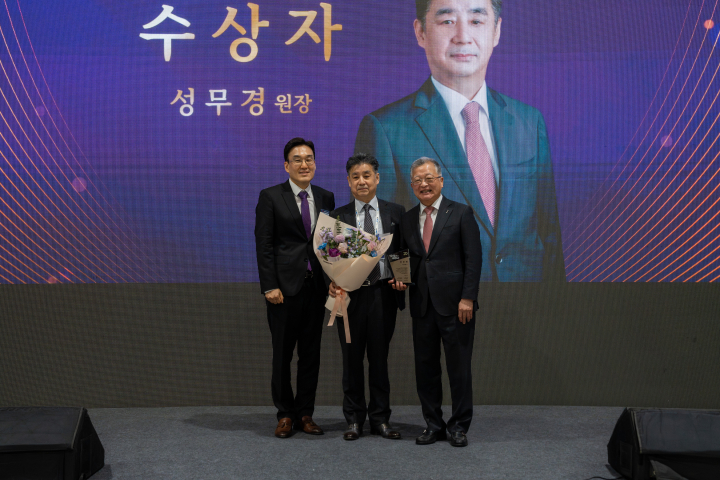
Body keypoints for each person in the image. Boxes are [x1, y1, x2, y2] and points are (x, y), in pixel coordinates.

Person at [355, 0, 564, 282]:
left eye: (476, 21)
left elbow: (548, 233)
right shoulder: (386, 129)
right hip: (439, 303)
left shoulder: (528, 121)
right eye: (447, 21)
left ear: (496, 31)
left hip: (525, 299)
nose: (463, 37)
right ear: (421, 32)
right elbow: (378, 243)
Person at [392, 157, 482, 447]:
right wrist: (399, 279)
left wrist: (468, 297)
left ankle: (459, 426)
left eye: (429, 178)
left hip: (456, 306)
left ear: (441, 181)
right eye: (418, 180)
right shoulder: (407, 218)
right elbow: (401, 256)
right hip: (422, 305)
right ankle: (433, 424)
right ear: (412, 186)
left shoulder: (461, 212)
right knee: (426, 369)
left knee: (459, 368)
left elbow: (473, 259)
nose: (424, 184)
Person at [254, 137, 335, 438]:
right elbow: (264, 245)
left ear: (315, 163)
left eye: (309, 159)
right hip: (283, 291)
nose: (304, 164)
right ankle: (285, 414)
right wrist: (269, 286)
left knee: (311, 356)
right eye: (297, 159)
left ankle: (305, 414)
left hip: (316, 289)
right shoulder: (271, 196)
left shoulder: (326, 197)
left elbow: (329, 244)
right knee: (282, 356)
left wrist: (335, 279)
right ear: (286, 165)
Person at [327, 153, 406, 441]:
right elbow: (328, 256)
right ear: (349, 182)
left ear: (377, 178)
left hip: (383, 294)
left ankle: (381, 419)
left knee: (379, 359)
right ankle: (354, 420)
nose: (362, 181)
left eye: (367, 175)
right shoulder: (337, 217)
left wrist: (402, 277)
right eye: (355, 177)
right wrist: (332, 282)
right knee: (351, 360)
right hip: (350, 297)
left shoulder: (396, 212)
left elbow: (402, 250)